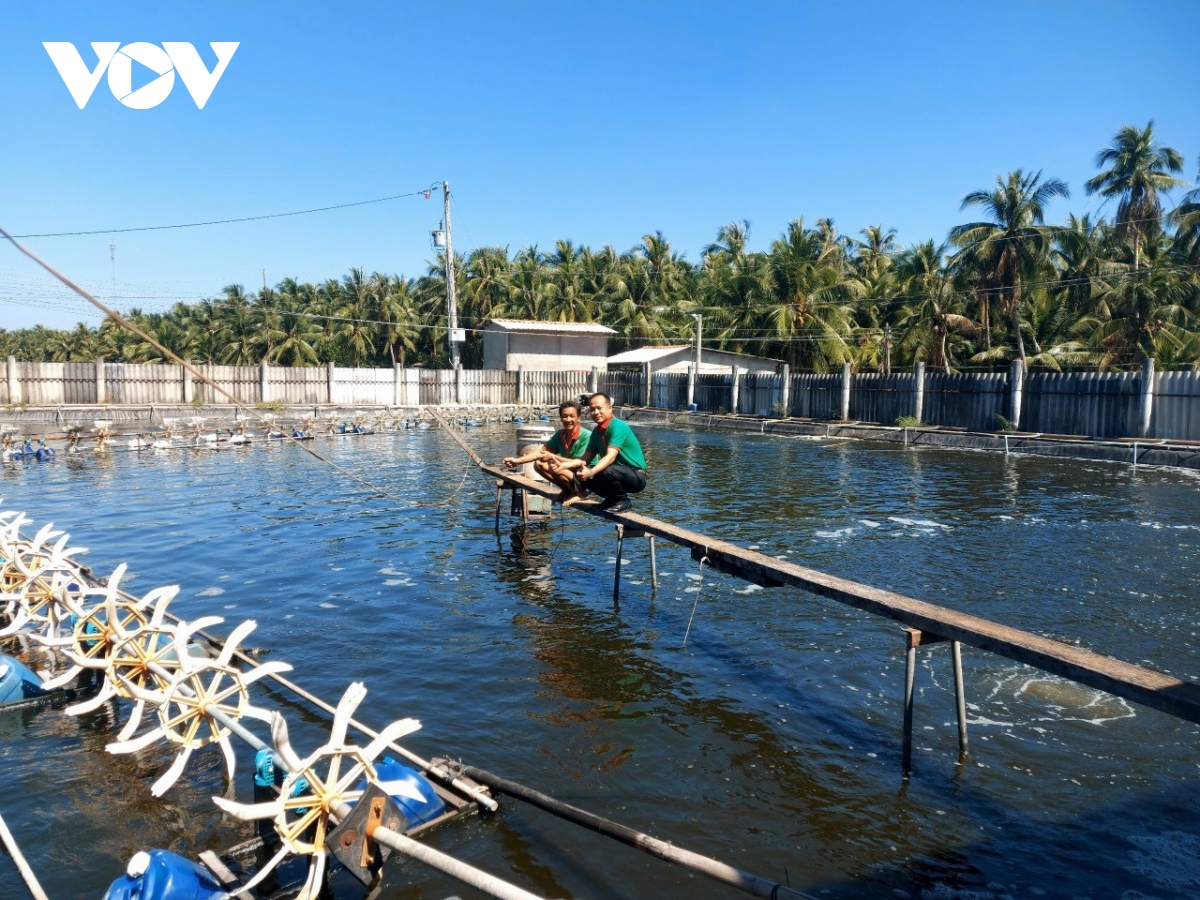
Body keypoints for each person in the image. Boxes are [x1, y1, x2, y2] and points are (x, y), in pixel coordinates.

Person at [502, 399, 591, 503]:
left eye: (572, 416)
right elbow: (541, 452)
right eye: (565, 416)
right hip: (572, 474)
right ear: (561, 418)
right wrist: (517, 461)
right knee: (539, 464)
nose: (568, 419)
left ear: (578, 418)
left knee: (557, 466)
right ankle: (567, 490)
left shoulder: (586, 436)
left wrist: (554, 457)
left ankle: (580, 493)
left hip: (587, 478)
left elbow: (578, 463)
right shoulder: (561, 435)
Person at [571, 392, 648, 513]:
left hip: (636, 476)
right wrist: (567, 466)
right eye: (592, 409)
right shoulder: (597, 431)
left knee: (606, 469)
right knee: (580, 470)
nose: (596, 412)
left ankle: (623, 501)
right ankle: (611, 499)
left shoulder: (617, 426)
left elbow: (610, 457)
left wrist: (590, 472)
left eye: (599, 408)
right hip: (616, 474)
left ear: (610, 408)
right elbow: (585, 458)